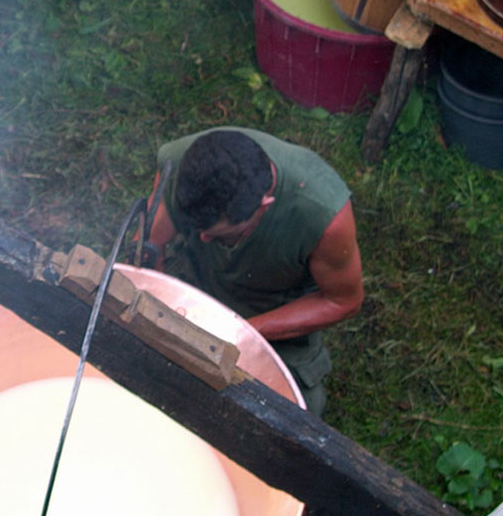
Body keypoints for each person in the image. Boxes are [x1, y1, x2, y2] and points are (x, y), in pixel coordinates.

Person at [143, 127, 363, 415]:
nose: (205, 239)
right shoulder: (183, 160)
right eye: (200, 231)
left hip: (269, 309)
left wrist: (241, 333)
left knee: (291, 416)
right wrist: (151, 295)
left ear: (264, 206)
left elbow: (343, 301)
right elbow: (150, 245)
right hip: (197, 278)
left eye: (222, 236)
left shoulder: (322, 217)